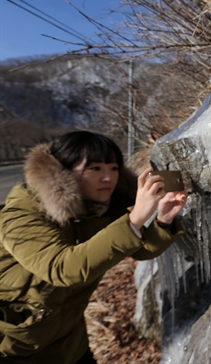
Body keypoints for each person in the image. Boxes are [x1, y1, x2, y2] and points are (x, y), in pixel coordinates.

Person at [0, 131, 186, 363]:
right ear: (63, 171)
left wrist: (163, 221)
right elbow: (63, 268)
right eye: (95, 169)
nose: (108, 178)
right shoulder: (22, 214)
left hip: (68, 343)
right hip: (13, 348)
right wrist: (135, 218)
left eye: (114, 168)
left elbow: (137, 248)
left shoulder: (99, 207)